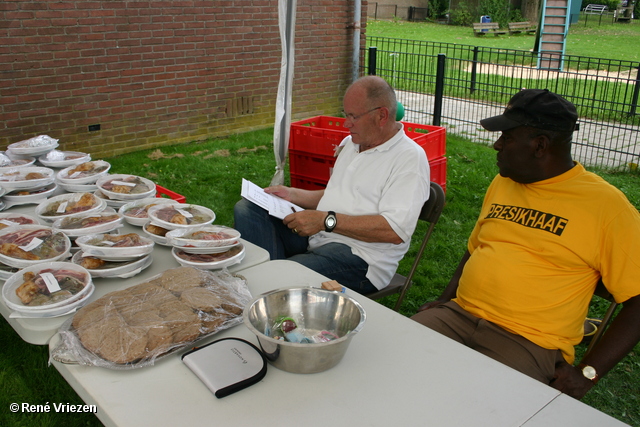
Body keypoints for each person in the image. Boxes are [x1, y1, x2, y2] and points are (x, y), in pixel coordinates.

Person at [411, 89, 640, 400]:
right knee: (393, 357)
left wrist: (589, 372)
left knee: (468, 404)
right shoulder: (505, 181)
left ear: (540, 145)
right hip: (458, 315)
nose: (497, 145)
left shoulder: (606, 207)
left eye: (507, 137)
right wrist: (445, 299)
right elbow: (475, 248)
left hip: (528, 341)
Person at [234, 75, 431, 294]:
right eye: (345, 115)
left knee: (285, 273)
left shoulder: (409, 158)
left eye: (353, 116)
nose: (346, 123)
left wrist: (325, 221)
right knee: (248, 209)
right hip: (321, 236)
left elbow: (395, 231)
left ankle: (274, 286)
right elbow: (339, 195)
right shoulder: (353, 143)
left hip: (362, 259)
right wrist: (293, 194)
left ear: (381, 116)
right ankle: (274, 284)